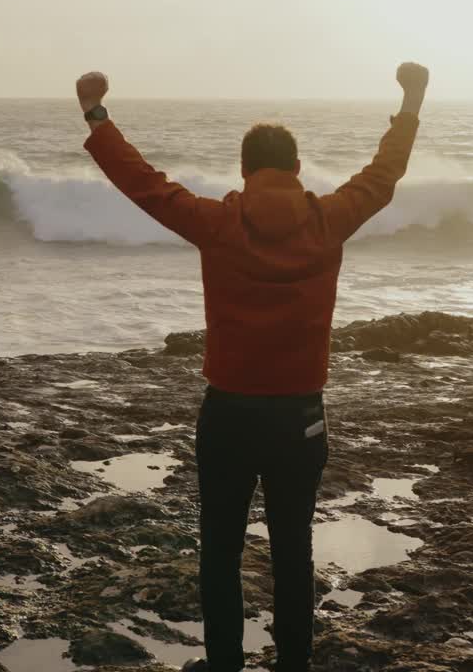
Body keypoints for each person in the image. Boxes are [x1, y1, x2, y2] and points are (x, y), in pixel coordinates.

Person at [75, 62, 428, 672]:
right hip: (301, 417)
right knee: (294, 551)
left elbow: (145, 184)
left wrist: (97, 115)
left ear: (245, 170)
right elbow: (384, 173)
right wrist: (412, 100)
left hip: (229, 414)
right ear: (295, 169)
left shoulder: (218, 224)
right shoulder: (329, 219)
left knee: (220, 554)